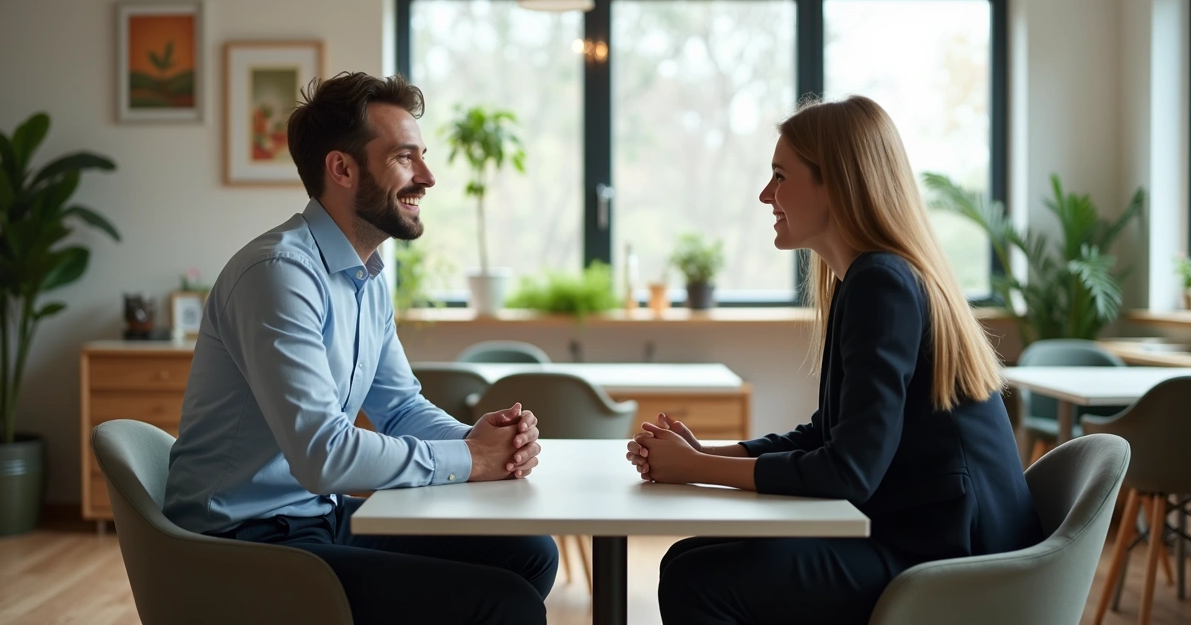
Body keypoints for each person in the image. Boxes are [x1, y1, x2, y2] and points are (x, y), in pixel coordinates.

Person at [625, 95, 1043, 624]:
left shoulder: (881, 283)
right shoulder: (869, 280)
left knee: (698, 578)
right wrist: (708, 454)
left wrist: (700, 468)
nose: (765, 195)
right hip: (929, 532)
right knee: (690, 558)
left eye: (780, 176)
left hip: (953, 556)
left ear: (838, 183)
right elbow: (830, 435)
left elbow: (848, 472)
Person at [163, 72, 557, 625]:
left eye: (422, 155)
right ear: (342, 169)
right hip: (242, 542)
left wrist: (482, 440)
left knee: (529, 552)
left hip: (313, 518)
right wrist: (471, 460)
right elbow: (324, 455)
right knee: (504, 604)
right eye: (404, 158)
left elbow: (398, 407)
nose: (428, 176)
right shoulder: (278, 274)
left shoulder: (365, 275)